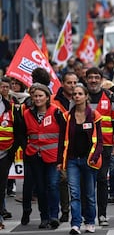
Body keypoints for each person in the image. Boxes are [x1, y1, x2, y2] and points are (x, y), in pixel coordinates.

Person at [57, 84, 103, 234]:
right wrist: (59, 161)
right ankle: (75, 224)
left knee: (89, 194)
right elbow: (61, 140)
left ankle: (90, 221)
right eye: (74, 94)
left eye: (79, 94)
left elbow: (100, 141)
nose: (76, 96)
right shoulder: (67, 116)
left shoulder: (94, 115)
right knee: (75, 194)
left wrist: (95, 157)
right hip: (72, 160)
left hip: (89, 160)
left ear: (86, 96)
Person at [21, 83, 65, 229]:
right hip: (34, 156)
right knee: (40, 189)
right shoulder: (27, 113)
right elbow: (22, 133)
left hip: (53, 157)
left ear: (47, 97)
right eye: (35, 96)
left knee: (52, 185)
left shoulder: (56, 112)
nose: (37, 99)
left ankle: (54, 216)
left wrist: (62, 156)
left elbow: (64, 135)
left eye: (41, 96)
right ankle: (44, 217)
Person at [85, 67, 114, 226]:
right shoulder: (80, 95)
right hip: (83, 146)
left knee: (101, 179)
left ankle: (102, 215)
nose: (93, 80)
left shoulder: (109, 96)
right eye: (90, 77)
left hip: (105, 146)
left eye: (96, 77)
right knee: (86, 182)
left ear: (101, 79)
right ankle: (87, 215)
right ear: (86, 79)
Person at [51, 72, 78, 223]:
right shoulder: (54, 101)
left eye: (75, 83)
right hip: (61, 145)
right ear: (62, 83)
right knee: (62, 180)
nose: (73, 86)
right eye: (69, 83)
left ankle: (77, 211)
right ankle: (65, 210)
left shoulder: (81, 97)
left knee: (77, 182)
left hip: (78, 146)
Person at [0, 85, 22, 230]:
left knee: (0, 187)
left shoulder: (11, 108)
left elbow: (19, 132)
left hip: (4, 154)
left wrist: (11, 152)